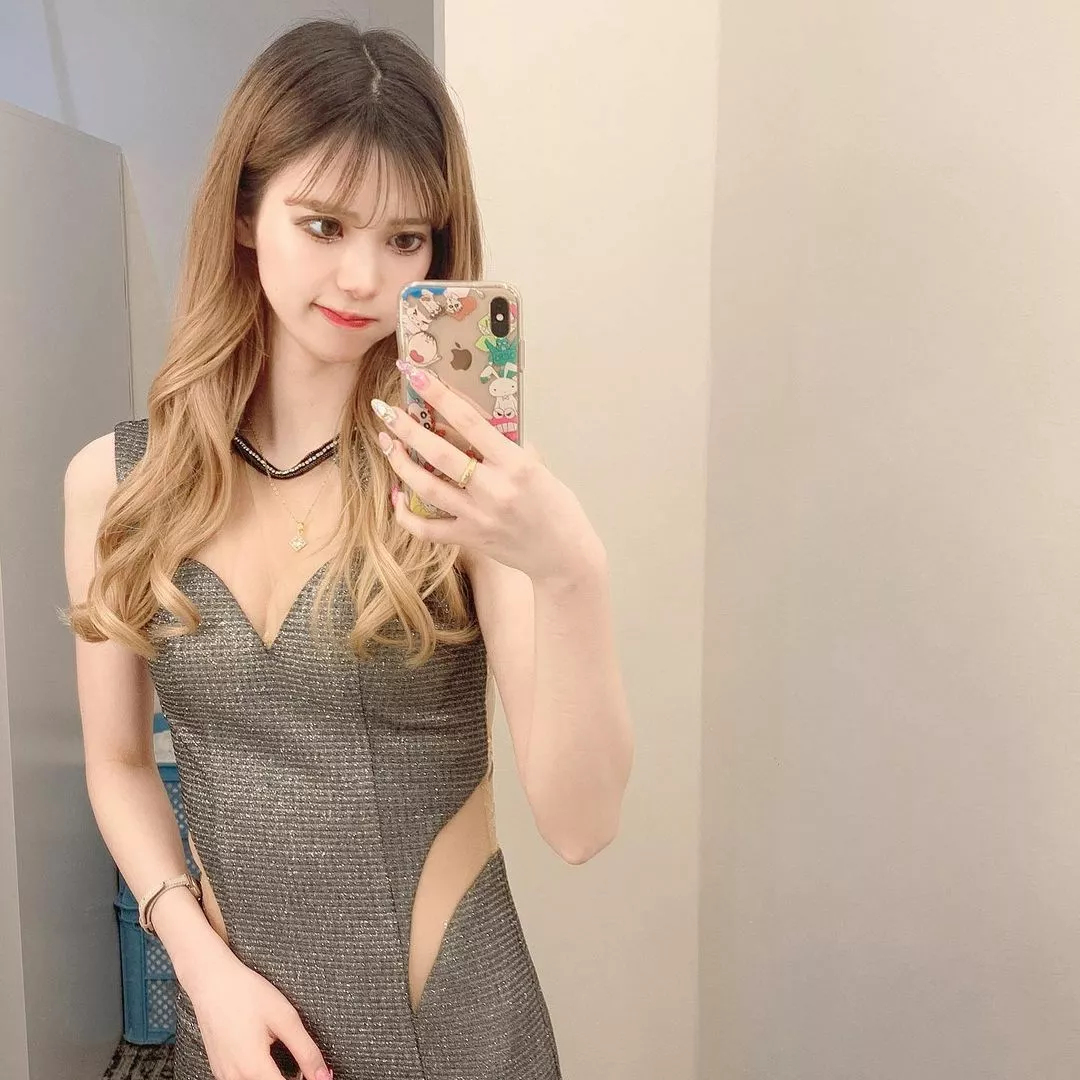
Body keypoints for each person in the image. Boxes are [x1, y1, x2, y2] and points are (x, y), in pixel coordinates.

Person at [62, 17, 633, 1080]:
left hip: (457, 1041)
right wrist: (202, 972)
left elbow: (582, 824)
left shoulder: (460, 486)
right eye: (324, 224)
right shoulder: (119, 483)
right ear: (245, 213)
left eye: (406, 239)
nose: (364, 276)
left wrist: (571, 571)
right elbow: (118, 761)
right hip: (235, 1042)